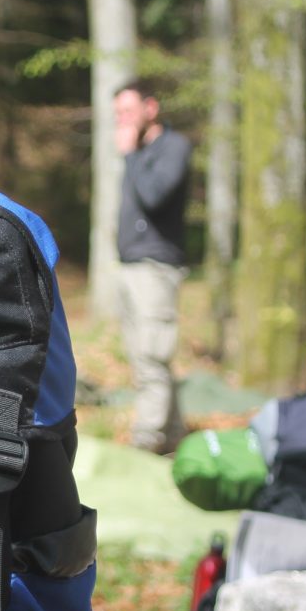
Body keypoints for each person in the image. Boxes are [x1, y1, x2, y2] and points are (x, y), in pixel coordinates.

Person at [114, 78, 192, 454]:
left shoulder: (173, 147)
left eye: (128, 111)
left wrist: (129, 155)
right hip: (130, 265)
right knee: (142, 358)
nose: (122, 121)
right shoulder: (139, 153)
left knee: (152, 357)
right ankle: (173, 435)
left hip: (156, 267)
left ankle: (146, 440)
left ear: (151, 108)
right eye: (118, 114)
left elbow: (155, 196)